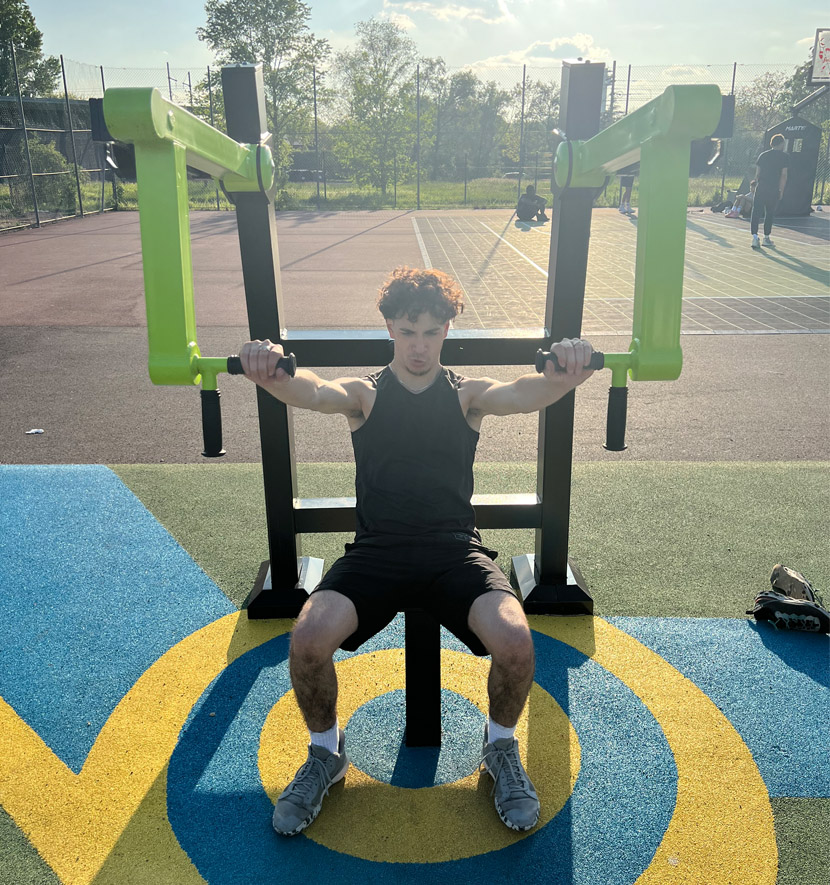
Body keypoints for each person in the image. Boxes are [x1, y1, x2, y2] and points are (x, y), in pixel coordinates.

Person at [239, 267, 596, 837]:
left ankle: (500, 747)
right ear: (390, 329)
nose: (420, 345)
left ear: (447, 331)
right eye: (409, 331)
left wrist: (566, 370)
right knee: (307, 639)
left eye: (431, 332)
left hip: (454, 552)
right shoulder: (366, 394)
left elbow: (527, 392)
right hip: (377, 553)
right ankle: (326, 754)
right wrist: (268, 366)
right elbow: (309, 389)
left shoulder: (465, 396)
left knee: (516, 640)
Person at [750, 134, 788, 249]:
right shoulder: (784, 157)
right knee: (769, 213)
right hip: (773, 189)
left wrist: (754, 185)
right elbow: (784, 175)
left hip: (761, 187)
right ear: (781, 143)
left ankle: (755, 238)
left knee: (756, 212)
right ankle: (766, 238)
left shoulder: (763, 155)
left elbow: (757, 174)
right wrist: (781, 190)